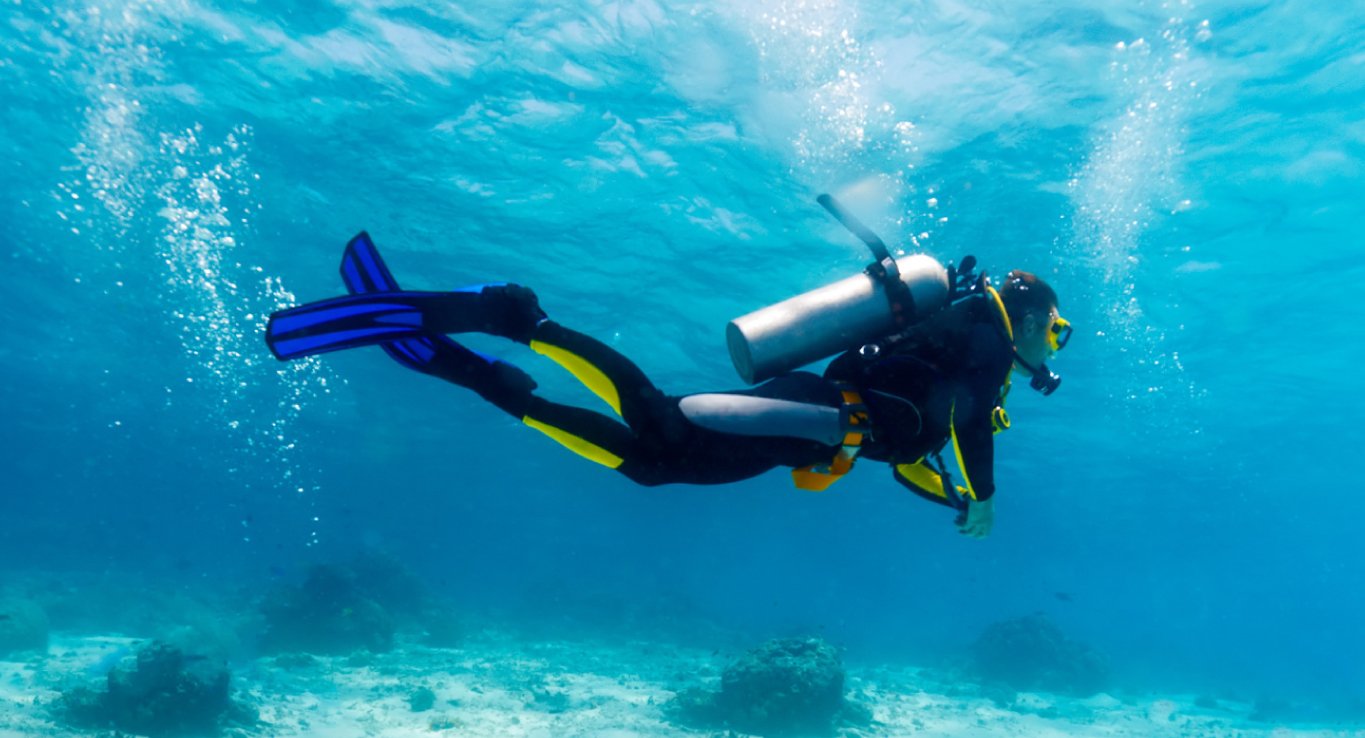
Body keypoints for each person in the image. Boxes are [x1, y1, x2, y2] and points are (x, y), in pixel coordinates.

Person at [266, 229, 1070, 539]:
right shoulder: (986, 333)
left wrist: (954, 499)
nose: (1050, 347)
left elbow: (917, 450)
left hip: (813, 429)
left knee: (654, 462)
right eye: (1055, 331)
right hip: (814, 414)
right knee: (659, 422)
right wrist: (986, 496)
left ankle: (488, 379)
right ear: (1030, 315)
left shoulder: (968, 347)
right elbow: (962, 427)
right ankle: (517, 319)